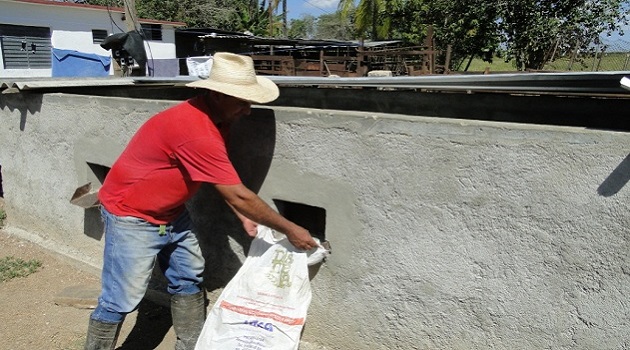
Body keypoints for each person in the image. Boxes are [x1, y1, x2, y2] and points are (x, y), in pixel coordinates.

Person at [84, 52, 318, 350]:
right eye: (242, 101)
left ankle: (191, 344)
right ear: (217, 94)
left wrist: (243, 213)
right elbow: (238, 192)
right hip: (133, 216)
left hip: (172, 214)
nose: (248, 110)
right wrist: (289, 228)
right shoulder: (196, 129)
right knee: (120, 298)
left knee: (188, 278)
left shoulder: (218, 119)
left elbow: (219, 177)